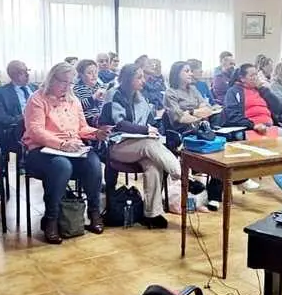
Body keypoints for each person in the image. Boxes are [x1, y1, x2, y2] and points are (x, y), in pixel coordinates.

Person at [21, 62, 110, 244]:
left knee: (92, 162)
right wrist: (61, 144)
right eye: (63, 82)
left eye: (70, 83)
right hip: (41, 150)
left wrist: (96, 133)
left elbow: (81, 128)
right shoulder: (37, 99)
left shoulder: (73, 99)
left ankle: (94, 212)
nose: (67, 87)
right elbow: (35, 131)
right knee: (62, 166)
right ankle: (51, 219)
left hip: (71, 148)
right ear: (52, 79)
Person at [101, 64, 182, 228]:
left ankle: (152, 214)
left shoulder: (140, 97)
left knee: (153, 165)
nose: (143, 81)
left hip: (141, 145)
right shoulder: (113, 94)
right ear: (127, 79)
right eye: (139, 77)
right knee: (148, 144)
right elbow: (120, 124)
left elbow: (152, 121)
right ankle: (181, 174)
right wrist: (146, 130)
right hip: (118, 146)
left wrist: (154, 131)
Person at [222, 63, 282, 196]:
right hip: (249, 130)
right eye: (252, 75)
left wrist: (263, 89)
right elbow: (232, 115)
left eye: (256, 74)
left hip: (270, 128)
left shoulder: (260, 90)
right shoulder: (233, 92)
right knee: (273, 156)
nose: (255, 77)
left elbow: (278, 108)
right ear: (242, 78)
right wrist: (253, 125)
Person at [0, 60, 38, 154]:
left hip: (40, 125)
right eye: (22, 72)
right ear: (13, 75)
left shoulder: (36, 88)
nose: (27, 74)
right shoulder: (0, 93)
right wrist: (23, 118)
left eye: (27, 70)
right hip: (18, 129)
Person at [165, 61, 219, 135]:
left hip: (201, 129)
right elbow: (181, 118)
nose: (191, 74)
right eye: (187, 71)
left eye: (190, 71)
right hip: (183, 132)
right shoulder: (170, 93)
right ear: (177, 74)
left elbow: (208, 110)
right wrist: (200, 116)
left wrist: (191, 112)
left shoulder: (193, 89)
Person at [72, 58, 109, 126]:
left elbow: (103, 105)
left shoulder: (101, 86)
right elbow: (80, 106)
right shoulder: (77, 88)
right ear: (81, 75)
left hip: (101, 116)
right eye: (89, 73)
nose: (94, 75)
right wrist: (94, 97)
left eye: (96, 72)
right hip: (88, 119)